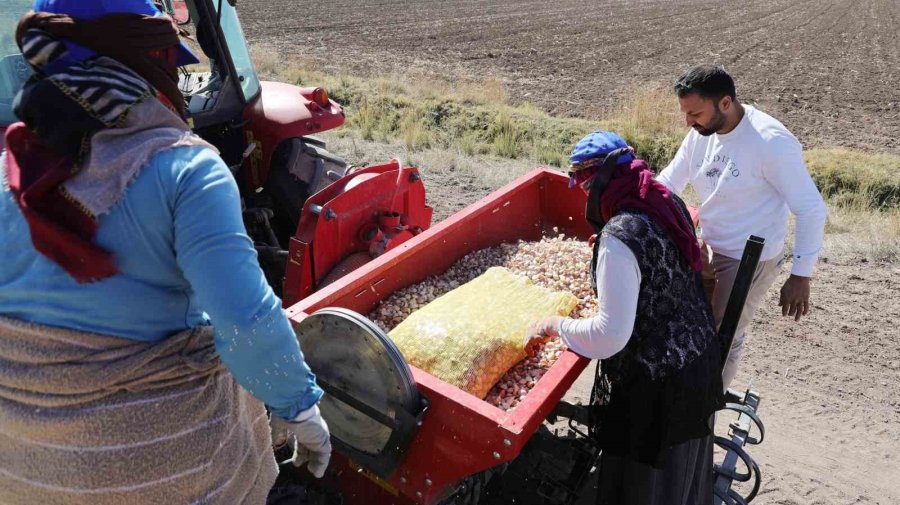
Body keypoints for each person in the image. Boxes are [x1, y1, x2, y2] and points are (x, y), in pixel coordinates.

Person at [0, 1, 330, 503]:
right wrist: (302, 411)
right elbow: (245, 321)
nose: (174, 75)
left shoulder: (10, 170)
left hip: (25, 470)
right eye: (166, 59)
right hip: (169, 470)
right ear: (140, 60)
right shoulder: (186, 169)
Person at [525, 131, 723, 505]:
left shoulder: (619, 238)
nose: (585, 197)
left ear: (597, 182)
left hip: (659, 388)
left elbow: (609, 336)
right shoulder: (664, 200)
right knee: (680, 481)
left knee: (645, 489)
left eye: (584, 188)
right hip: (697, 359)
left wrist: (557, 325)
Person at [656, 65, 828, 390]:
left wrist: (801, 275)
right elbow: (669, 182)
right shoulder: (701, 135)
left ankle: (704, 411)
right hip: (708, 245)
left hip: (748, 259)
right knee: (691, 321)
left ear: (725, 103)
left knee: (724, 334)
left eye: (694, 113)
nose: (688, 122)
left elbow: (811, 209)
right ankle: (682, 394)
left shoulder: (770, 142)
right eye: (685, 113)